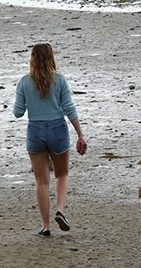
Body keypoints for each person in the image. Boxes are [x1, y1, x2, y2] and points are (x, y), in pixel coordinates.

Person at [11, 42, 86, 237]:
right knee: (62, 174)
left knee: (41, 181)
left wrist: (29, 101)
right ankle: (60, 210)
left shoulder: (24, 82)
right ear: (51, 58)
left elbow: (18, 113)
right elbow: (69, 108)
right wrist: (80, 134)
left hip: (35, 130)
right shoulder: (59, 80)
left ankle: (46, 227)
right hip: (57, 128)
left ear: (32, 59)